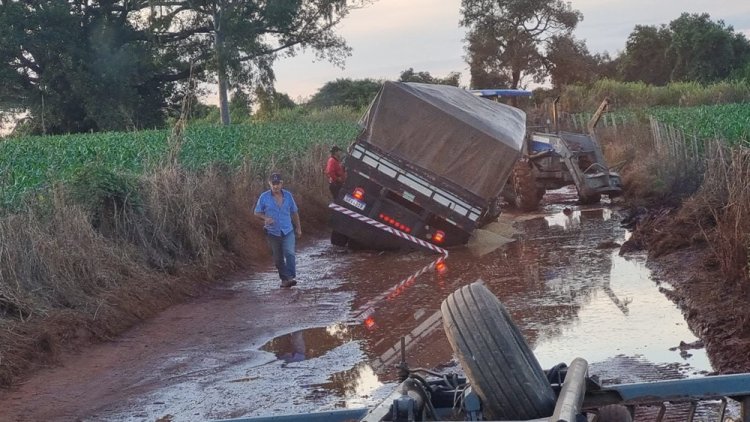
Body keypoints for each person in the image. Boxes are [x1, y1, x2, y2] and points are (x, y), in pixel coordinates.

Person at [254, 173, 302, 288]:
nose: (275, 186)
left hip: (287, 230)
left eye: (278, 184)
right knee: (278, 258)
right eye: (273, 184)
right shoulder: (264, 197)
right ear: (269, 184)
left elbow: (294, 212)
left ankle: (290, 276)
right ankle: (285, 280)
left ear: (282, 184)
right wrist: (266, 218)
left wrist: (298, 228)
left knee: (289, 253)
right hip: (272, 232)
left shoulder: (288, 196)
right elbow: (256, 212)